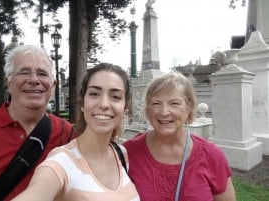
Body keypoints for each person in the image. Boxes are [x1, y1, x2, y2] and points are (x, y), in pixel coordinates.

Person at [12, 63, 140, 201]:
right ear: (83, 103)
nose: (104, 104)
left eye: (115, 96)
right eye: (94, 94)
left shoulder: (121, 155)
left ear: (125, 108)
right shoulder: (62, 162)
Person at [0, 45, 76, 201]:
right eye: (24, 72)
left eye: (42, 73)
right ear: (8, 81)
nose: (34, 80)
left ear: (53, 85)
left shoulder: (66, 134)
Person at [123, 71, 236, 201]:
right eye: (156, 103)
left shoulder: (212, 156)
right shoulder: (128, 153)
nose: (164, 112)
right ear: (148, 109)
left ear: (189, 107)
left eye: (174, 103)